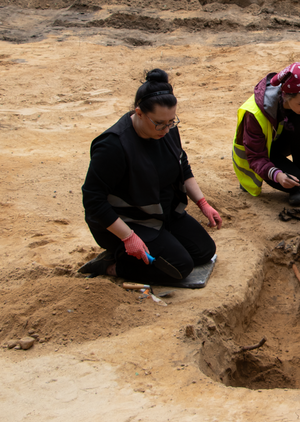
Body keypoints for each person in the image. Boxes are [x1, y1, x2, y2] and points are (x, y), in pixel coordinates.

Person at [79, 69, 221, 284]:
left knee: (204, 251)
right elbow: (93, 200)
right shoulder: (113, 145)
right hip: (128, 220)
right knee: (180, 267)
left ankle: (156, 244)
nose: (166, 129)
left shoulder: (166, 129)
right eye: (159, 123)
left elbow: (183, 167)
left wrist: (203, 203)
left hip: (161, 212)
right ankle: (112, 264)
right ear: (139, 112)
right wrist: (128, 237)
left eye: (171, 122)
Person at [232, 62, 300, 206]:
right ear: (285, 96)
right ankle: (295, 182)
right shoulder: (254, 112)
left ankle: (297, 177)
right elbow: (255, 155)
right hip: (260, 151)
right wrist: (277, 175)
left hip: (281, 140)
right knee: (293, 179)